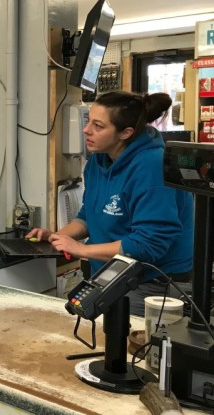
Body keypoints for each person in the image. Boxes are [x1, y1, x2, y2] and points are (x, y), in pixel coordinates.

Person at [27, 91, 193, 316]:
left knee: (117, 341)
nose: (86, 130)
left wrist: (82, 249)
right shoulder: (99, 159)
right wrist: (59, 237)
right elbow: (89, 215)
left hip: (154, 281)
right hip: (113, 272)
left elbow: (148, 245)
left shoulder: (152, 167)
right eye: (88, 122)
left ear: (126, 132)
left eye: (98, 125)